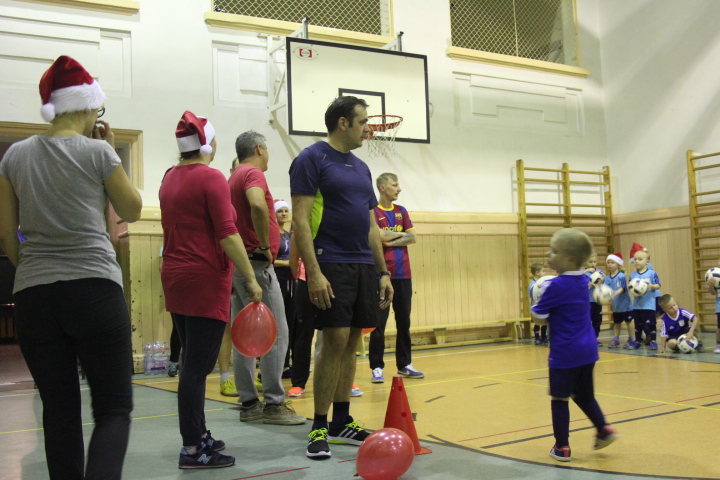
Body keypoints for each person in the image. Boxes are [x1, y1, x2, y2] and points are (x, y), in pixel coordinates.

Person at [0, 55, 142, 480]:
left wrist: (36, 269)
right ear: (89, 105)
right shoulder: (98, 153)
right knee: (113, 408)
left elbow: (8, 238)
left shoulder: (15, 157)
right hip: (94, 290)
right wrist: (110, 150)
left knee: (58, 410)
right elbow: (132, 210)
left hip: (34, 296)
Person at [290, 96, 393, 460]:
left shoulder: (362, 169)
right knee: (332, 340)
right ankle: (319, 425)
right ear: (343, 123)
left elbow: (371, 225)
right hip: (329, 261)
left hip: (363, 265)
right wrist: (314, 272)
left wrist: (382, 271)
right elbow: (300, 219)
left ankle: (341, 421)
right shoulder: (311, 159)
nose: (368, 129)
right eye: (363, 122)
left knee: (351, 341)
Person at [160, 111, 262, 469]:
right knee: (196, 368)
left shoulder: (169, 176)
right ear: (207, 144)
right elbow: (227, 233)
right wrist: (250, 278)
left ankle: (199, 434)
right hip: (203, 278)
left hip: (175, 276)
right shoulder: (211, 177)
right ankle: (192, 449)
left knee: (192, 361)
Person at [228, 131, 306, 425]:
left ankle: (249, 403)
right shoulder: (252, 173)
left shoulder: (233, 175)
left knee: (243, 334)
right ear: (260, 148)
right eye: (268, 149)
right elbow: (258, 204)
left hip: (239, 263)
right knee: (277, 332)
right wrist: (263, 244)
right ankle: (274, 404)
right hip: (256, 263)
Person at [531, 228, 618, 462]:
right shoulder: (583, 281)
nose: (549, 254)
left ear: (570, 259)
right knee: (584, 395)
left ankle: (562, 447)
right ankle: (603, 428)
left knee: (560, 399)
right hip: (588, 350)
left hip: (565, 353)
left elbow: (538, 317)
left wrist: (537, 302)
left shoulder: (555, 285)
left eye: (554, 251)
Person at [370, 173, 423, 383]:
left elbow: (413, 237)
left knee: (404, 321)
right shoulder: (373, 211)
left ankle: (405, 364)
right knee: (378, 324)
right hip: (381, 276)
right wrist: (400, 235)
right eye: (395, 185)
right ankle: (376, 367)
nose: (399, 189)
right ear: (383, 187)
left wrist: (389, 239)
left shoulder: (402, 211)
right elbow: (377, 236)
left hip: (404, 275)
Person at [274, 199, 295, 379]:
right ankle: (275, 365)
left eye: (286, 210)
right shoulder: (272, 234)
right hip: (277, 279)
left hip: (290, 280)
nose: (284, 214)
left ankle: (286, 364)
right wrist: (287, 263)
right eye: (280, 211)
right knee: (278, 322)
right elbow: (268, 259)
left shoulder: (288, 234)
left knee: (289, 321)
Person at [629, 250, 661, 350]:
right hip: (637, 305)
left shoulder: (652, 273)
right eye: (635, 259)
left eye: (640, 259)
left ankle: (653, 341)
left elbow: (658, 285)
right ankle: (638, 341)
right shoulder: (633, 275)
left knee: (651, 324)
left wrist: (650, 286)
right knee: (638, 324)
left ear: (647, 262)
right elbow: (630, 287)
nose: (636, 261)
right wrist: (635, 290)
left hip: (649, 305)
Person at [602, 253, 636, 349]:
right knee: (617, 323)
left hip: (626, 305)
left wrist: (613, 294)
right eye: (608, 263)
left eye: (612, 262)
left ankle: (631, 338)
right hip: (616, 306)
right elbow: (605, 288)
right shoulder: (607, 278)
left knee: (629, 322)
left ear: (618, 264)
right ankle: (616, 339)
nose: (610, 264)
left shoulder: (621, 276)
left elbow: (622, 288)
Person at [583, 252, 603, 347]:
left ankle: (595, 337)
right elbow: (578, 280)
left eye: (595, 262)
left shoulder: (600, 272)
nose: (593, 264)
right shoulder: (583, 272)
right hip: (586, 301)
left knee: (597, 320)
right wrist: (589, 283)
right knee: (586, 320)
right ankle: (586, 337)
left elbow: (603, 282)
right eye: (590, 262)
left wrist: (600, 283)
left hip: (597, 300)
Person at [528, 263, 548, 345]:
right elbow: (532, 295)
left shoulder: (543, 282)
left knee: (544, 322)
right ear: (537, 273)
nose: (545, 273)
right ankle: (537, 338)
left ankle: (544, 337)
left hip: (543, 306)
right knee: (537, 323)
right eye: (543, 271)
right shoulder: (533, 285)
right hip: (535, 306)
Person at [706, 259, 720, 354]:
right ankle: (718, 344)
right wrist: (710, 285)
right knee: (719, 327)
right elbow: (712, 292)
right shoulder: (715, 276)